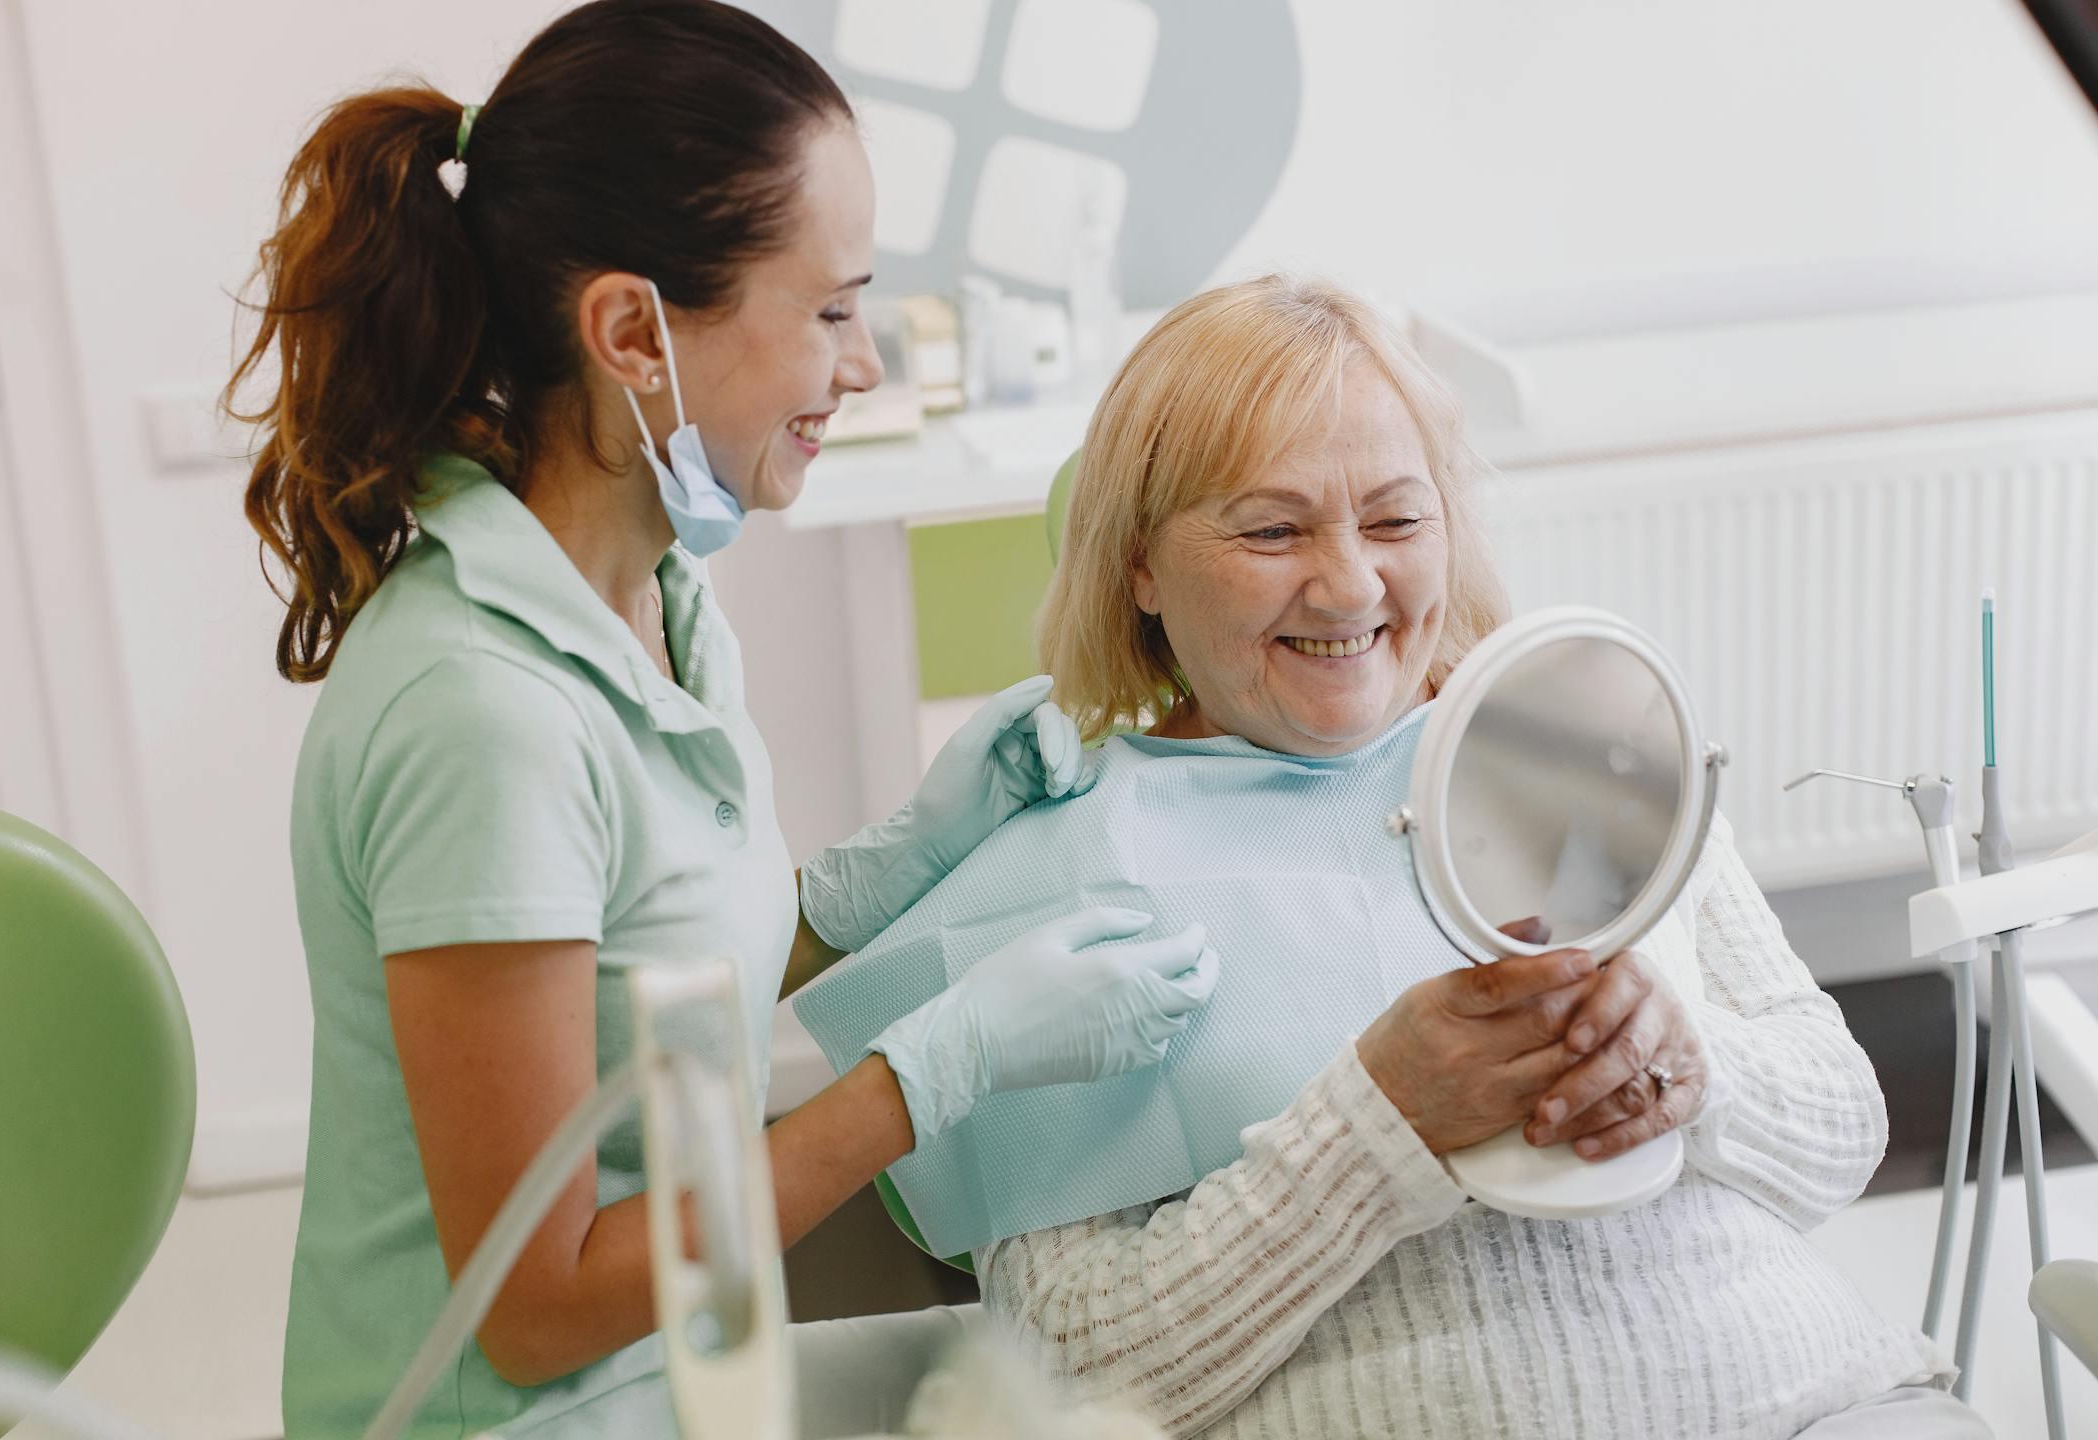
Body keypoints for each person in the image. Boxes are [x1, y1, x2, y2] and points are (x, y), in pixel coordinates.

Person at [228, 4, 1217, 1435]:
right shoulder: (483, 714)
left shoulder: (656, 602)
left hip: (685, 1364)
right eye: (828, 311)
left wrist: (897, 867)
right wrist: (936, 1067)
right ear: (634, 331)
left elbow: (641, 991)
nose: (863, 363)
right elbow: (538, 1301)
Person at [855, 276, 1981, 1438]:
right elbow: (1070, 1371)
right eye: (1272, 528)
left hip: (1807, 1400)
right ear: (1141, 564)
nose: (1350, 584)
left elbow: (1842, 1135)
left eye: (1396, 521)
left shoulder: (1569, 735)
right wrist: (1376, 1126)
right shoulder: (1062, 870)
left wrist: (1692, 1073)